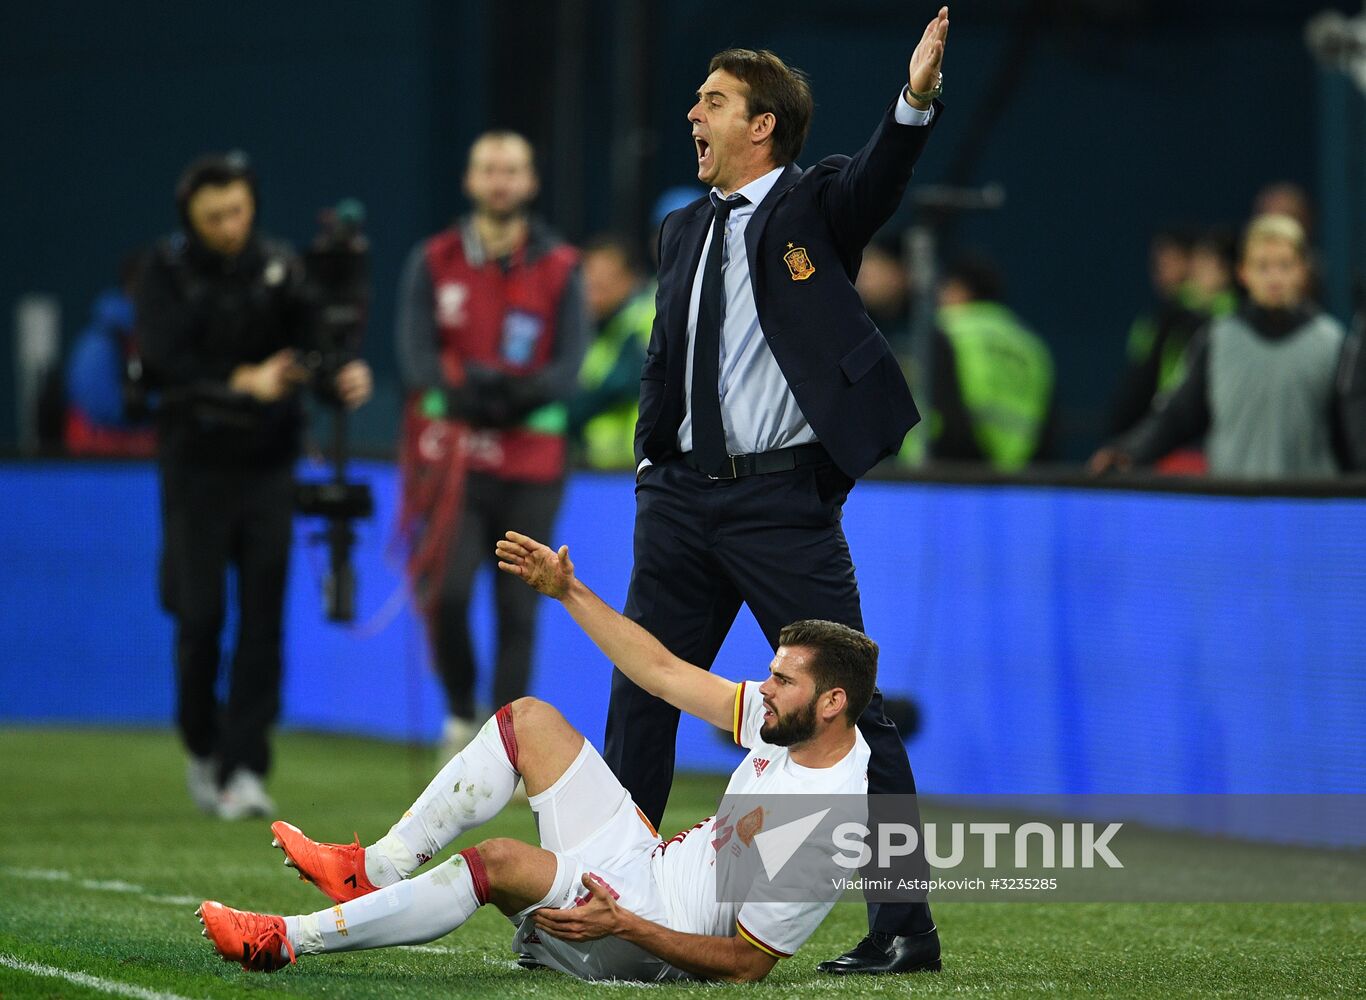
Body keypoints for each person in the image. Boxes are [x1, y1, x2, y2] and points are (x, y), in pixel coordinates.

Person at [606, 7, 951, 976]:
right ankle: (610, 899)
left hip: (778, 505)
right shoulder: (678, 229)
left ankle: (901, 925)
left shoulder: (816, 204)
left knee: (856, 711)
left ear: (762, 124)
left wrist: (915, 95)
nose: (692, 114)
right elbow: (663, 357)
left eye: (711, 101)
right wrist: (649, 465)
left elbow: (883, 172)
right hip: (677, 501)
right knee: (641, 698)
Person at [197, 530, 885, 983]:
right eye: (770, 674)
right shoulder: (785, 723)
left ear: (830, 705)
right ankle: (373, 869)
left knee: (497, 861)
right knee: (528, 720)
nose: (764, 690)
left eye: (782, 682)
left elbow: (743, 965)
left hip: (651, 929)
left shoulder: (824, 828)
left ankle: (286, 940)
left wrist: (627, 925)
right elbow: (663, 672)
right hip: (644, 863)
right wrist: (569, 593)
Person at [138, 153, 373, 819]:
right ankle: (201, 740)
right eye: (213, 216)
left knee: (263, 620)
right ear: (191, 216)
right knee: (200, 614)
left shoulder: (279, 267)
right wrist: (242, 382)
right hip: (194, 465)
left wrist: (340, 377)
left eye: (237, 211)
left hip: (269, 465)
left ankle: (244, 766)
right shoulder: (167, 271)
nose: (228, 226)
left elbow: (315, 346)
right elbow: (161, 366)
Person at [395, 131, 589, 760]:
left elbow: (568, 368)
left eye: (512, 170)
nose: (500, 181)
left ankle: (500, 743)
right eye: (488, 169)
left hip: (532, 464)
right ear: (470, 181)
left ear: (530, 183)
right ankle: (458, 707)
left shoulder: (562, 267)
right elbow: (415, 357)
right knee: (446, 595)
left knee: (518, 610)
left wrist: (505, 396)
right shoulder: (433, 259)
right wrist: (468, 399)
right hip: (454, 461)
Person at [1090, 214, 1350, 478]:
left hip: (1310, 511)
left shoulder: (1333, 342)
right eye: (1262, 266)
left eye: (1285, 265)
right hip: (1233, 506)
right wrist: (1130, 450)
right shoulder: (1217, 340)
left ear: (1302, 271)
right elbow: (1178, 416)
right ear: (1243, 272)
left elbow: (1352, 432)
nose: (1275, 277)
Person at [912, 255, 1054, 470]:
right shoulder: (1031, 345)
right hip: (1019, 474)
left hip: (950, 474)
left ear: (960, 290)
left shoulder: (947, 330)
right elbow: (1049, 420)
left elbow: (946, 409)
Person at [566, 235, 656, 469]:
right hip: (601, 465)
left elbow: (625, 380)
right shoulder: (596, 331)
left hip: (640, 465)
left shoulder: (646, 318)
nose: (593, 289)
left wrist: (570, 411)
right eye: (589, 280)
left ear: (629, 279)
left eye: (604, 281)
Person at [64, 250, 157, 457]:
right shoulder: (98, 344)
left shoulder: (165, 334)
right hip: (102, 464)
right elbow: (102, 410)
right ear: (131, 287)